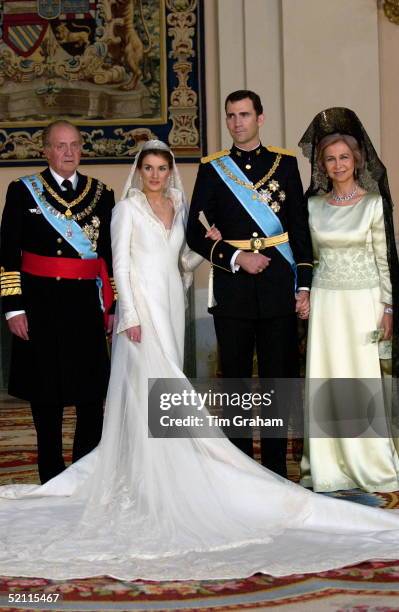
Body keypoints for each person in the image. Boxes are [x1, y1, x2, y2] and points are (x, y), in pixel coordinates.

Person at [1, 140, 399, 582]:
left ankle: (163, 466)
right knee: (152, 388)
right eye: (149, 168)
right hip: (143, 311)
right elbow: (120, 268)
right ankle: (148, 476)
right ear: (139, 171)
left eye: (162, 169)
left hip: (171, 305)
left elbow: (184, 262)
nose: (155, 175)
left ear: (171, 173)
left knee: (162, 386)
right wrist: (128, 314)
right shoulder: (126, 210)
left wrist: (207, 244)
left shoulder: (177, 208)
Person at [186, 90, 313, 477]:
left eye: (244, 114)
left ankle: (275, 472)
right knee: (236, 383)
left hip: (278, 288)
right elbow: (194, 232)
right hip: (233, 290)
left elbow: (300, 231)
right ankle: (242, 473)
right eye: (230, 116)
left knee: (278, 382)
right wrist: (237, 257)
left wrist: (304, 285)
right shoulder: (213, 168)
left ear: (260, 117)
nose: (236, 122)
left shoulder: (285, 164)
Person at [0, 120, 115, 484]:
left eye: (75, 145)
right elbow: (7, 254)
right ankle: (51, 475)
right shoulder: (22, 191)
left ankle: (85, 472)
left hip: (85, 306)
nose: (68, 153)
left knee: (90, 394)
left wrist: (111, 305)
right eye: (60, 146)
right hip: (39, 305)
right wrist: (13, 307)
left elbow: (108, 257)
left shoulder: (101, 194)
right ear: (45, 150)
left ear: (82, 149)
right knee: (45, 394)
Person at [298, 107, 399, 492]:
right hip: (327, 304)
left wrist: (388, 307)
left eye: (343, 157)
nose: (337, 164)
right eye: (330, 158)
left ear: (356, 160)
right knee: (327, 377)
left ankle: (369, 460)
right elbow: (309, 258)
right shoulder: (313, 206)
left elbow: (383, 260)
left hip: (364, 304)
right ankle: (327, 464)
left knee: (361, 378)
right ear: (322, 164)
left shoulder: (374, 204)